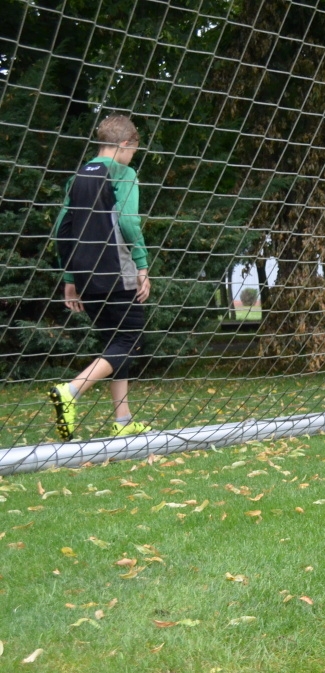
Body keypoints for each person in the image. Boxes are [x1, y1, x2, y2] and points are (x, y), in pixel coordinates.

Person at [49, 113, 153, 441]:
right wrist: (142, 265)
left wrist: (70, 278)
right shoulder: (123, 173)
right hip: (116, 268)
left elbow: (61, 230)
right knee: (131, 340)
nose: (132, 157)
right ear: (124, 144)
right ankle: (71, 390)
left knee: (114, 342)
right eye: (133, 150)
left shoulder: (78, 176)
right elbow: (128, 222)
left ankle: (122, 421)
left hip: (83, 272)